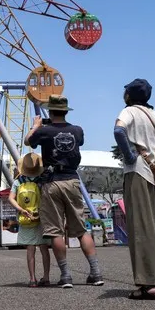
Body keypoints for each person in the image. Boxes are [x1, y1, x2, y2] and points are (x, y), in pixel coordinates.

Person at [113, 80, 155, 300]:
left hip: (140, 171)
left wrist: (130, 156)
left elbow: (119, 131)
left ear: (128, 95)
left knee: (142, 227)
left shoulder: (129, 111)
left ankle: (148, 284)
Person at [28, 94, 105, 290]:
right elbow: (80, 143)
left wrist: (36, 125)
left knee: (55, 231)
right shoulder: (77, 130)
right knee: (80, 229)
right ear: (65, 110)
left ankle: (66, 275)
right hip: (72, 180)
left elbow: (29, 141)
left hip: (52, 182)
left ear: (50, 111)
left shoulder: (44, 131)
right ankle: (95, 273)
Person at [8, 152, 51, 287]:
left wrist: (21, 210)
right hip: (41, 217)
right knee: (44, 248)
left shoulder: (18, 181)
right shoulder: (42, 180)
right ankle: (46, 277)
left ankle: (32, 279)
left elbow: (10, 198)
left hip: (25, 218)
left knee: (30, 249)